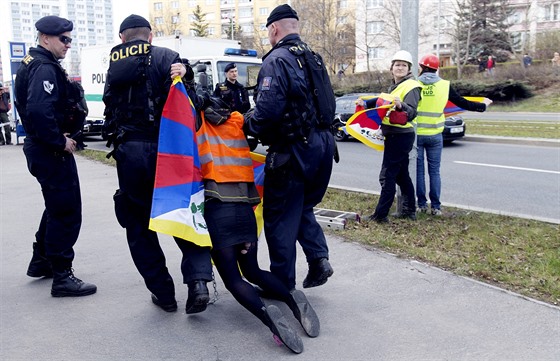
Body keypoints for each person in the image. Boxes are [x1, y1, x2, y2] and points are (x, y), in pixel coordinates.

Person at [102, 14, 212, 314]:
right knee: (182, 212)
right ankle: (198, 282)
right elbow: (194, 101)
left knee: (138, 225)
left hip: (130, 154)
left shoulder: (115, 66)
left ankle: (163, 294)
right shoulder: (168, 58)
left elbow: (109, 108)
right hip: (170, 151)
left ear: (123, 40)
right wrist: (186, 74)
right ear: (150, 36)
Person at [197, 98, 320, 353]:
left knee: (234, 279)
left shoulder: (198, 123)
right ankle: (291, 298)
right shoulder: (237, 121)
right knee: (253, 270)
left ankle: (269, 319)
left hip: (218, 208)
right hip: (245, 209)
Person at [244, 4, 336, 291]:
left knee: (279, 217)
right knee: (301, 206)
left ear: (274, 29)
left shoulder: (277, 60)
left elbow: (267, 111)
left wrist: (247, 125)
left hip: (294, 150)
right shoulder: (314, 58)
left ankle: (282, 286)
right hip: (323, 148)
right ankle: (319, 258)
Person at [14, 15, 97, 297]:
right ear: (45, 38)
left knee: (55, 205)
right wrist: (58, 140)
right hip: (49, 150)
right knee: (66, 210)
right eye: (64, 39)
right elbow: (39, 110)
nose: (68, 45)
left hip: (41, 149)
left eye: (70, 40)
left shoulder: (35, 63)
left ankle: (41, 261)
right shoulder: (44, 67)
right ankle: (62, 276)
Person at [415, 54, 492, 216]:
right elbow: (462, 103)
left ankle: (421, 205)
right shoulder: (444, 85)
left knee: (419, 172)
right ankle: (436, 207)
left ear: (421, 67)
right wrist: (482, 106)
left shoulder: (414, 84)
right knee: (434, 171)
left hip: (417, 135)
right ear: (437, 69)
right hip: (436, 135)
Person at [357, 50, 421, 223]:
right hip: (395, 135)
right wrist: (365, 103)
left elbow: (412, 112)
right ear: (391, 68)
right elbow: (383, 100)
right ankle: (409, 211)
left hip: (400, 137)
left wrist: (402, 106)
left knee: (387, 175)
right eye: (397, 64)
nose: (400, 67)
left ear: (409, 69)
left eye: (403, 65)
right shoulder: (396, 86)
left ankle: (380, 215)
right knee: (401, 176)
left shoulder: (412, 86)